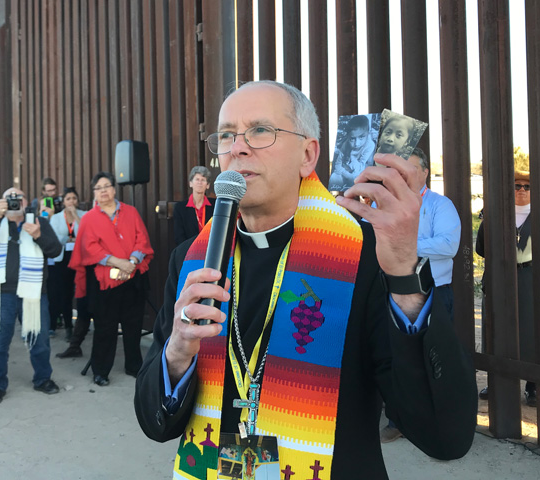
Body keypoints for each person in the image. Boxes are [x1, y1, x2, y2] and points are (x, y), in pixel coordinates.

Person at [134, 80, 476, 479]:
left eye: (260, 130)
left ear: (307, 155)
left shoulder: (366, 256)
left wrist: (403, 278)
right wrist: (176, 354)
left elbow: (445, 436)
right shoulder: (191, 260)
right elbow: (155, 423)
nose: (238, 147)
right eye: (226, 135)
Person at [380, 147, 461, 443]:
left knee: (435, 359)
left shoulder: (440, 205)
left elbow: (448, 246)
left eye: (409, 169)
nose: (401, 176)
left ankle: (438, 423)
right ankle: (397, 420)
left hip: (434, 294)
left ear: (425, 172)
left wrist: (402, 244)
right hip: (394, 292)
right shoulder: (385, 205)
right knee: (397, 357)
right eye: (397, 171)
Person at [0, 187, 62, 405]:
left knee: (40, 340)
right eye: (9, 198)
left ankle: (43, 379)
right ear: (1, 202)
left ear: (26, 202)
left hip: (33, 293)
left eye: (19, 197)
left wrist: (38, 235)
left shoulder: (38, 222)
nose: (15, 201)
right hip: (1, 293)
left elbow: (55, 250)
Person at [69, 172, 154, 386]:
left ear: (114, 189)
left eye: (107, 186)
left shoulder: (131, 212)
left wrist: (132, 262)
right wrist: (119, 262)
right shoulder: (89, 219)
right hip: (104, 282)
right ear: (94, 193)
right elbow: (90, 248)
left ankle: (134, 366)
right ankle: (101, 370)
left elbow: (141, 239)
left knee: (133, 326)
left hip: (132, 278)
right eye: (99, 188)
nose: (103, 190)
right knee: (105, 327)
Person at [476, 171, 536, 406]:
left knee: (531, 331)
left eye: (527, 186)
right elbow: (482, 247)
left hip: (531, 278)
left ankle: (533, 385)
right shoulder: (495, 214)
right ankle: (497, 382)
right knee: (497, 329)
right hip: (499, 277)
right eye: (517, 185)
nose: (522, 190)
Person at [48, 187, 87, 340]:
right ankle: (68, 327)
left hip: (79, 257)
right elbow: (55, 237)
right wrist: (69, 239)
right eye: (68, 199)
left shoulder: (84, 215)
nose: (71, 201)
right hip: (62, 258)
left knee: (81, 292)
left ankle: (81, 326)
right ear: (63, 202)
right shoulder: (56, 218)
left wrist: (76, 216)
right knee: (65, 293)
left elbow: (86, 233)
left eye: (74, 198)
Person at [329, 114, 376, 191]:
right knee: (334, 177)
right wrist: (346, 174)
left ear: (368, 133)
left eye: (361, 137)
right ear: (348, 136)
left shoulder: (370, 145)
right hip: (345, 172)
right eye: (352, 139)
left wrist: (353, 158)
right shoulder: (345, 145)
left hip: (360, 172)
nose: (357, 143)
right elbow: (337, 165)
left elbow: (361, 167)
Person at [173, 167, 214, 247]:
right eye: (197, 179)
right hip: (188, 251)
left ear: (208, 185)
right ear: (190, 183)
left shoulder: (215, 205)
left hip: (211, 249)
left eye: (203, 180)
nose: (200, 182)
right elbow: (179, 236)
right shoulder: (180, 208)